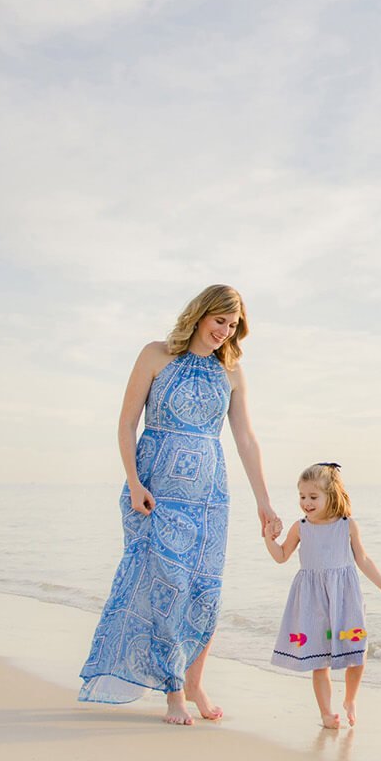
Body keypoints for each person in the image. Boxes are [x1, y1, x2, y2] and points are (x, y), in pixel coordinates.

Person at [78, 284, 283, 725]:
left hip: (209, 497)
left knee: (204, 592)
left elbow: (245, 438)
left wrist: (264, 503)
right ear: (200, 315)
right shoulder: (156, 355)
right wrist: (133, 482)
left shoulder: (231, 372)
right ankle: (174, 693)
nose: (225, 333)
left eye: (233, 326)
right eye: (219, 322)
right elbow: (127, 423)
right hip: (154, 491)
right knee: (165, 585)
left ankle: (194, 681)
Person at [264, 462, 381, 728]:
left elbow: (363, 559)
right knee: (319, 659)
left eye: (313, 497)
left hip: (345, 598)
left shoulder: (347, 525)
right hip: (313, 601)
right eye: (302, 496)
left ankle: (350, 699)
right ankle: (326, 713)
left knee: (357, 650)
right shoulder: (300, 527)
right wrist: (269, 538)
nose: (306, 502)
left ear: (331, 495)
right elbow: (281, 556)